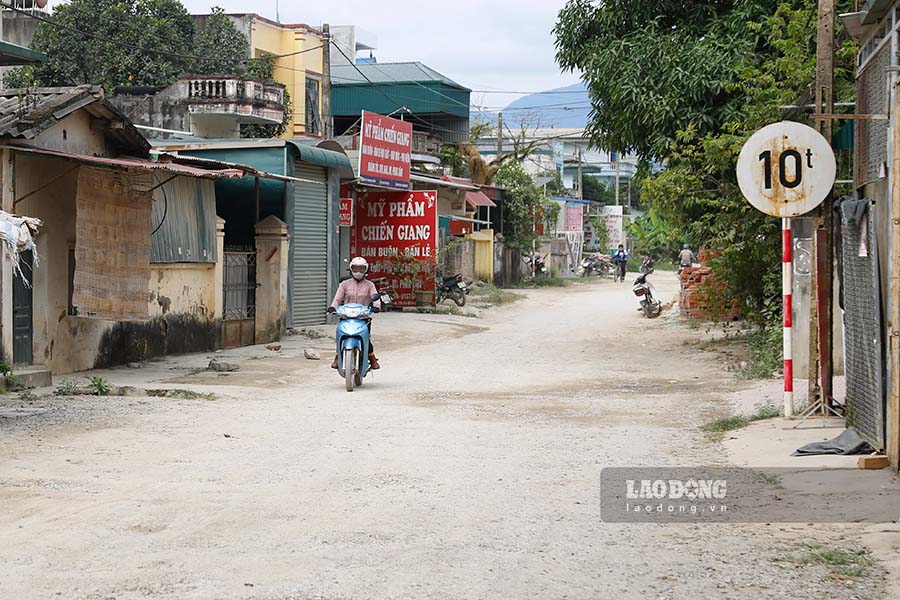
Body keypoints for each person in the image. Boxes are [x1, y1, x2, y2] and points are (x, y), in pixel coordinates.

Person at [328, 256, 381, 370]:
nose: (358, 272)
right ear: (351, 269)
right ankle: (338, 357)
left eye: (361, 269)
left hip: (363, 317)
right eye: (355, 268)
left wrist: (376, 307)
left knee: (366, 338)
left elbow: (375, 298)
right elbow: (337, 298)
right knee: (340, 336)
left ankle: (372, 359)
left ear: (366, 270)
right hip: (346, 316)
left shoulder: (370, 285)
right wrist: (333, 307)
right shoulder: (344, 284)